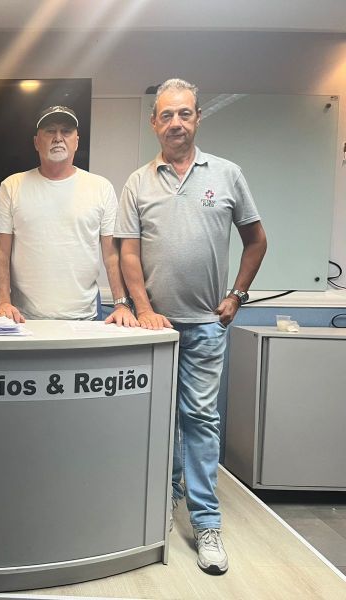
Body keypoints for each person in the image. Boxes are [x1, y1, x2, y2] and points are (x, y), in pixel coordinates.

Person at [116, 78, 267, 575]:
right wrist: (142, 308)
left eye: (184, 113)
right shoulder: (138, 182)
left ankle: (206, 523)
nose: (175, 122)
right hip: (153, 331)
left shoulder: (226, 174)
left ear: (198, 117)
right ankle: (160, 502)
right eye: (166, 115)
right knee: (155, 420)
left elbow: (256, 240)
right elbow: (128, 252)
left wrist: (237, 294)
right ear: (153, 122)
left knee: (199, 421)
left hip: (205, 325)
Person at [0, 105, 137, 326]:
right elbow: (0, 251)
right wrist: (2, 302)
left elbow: (111, 255)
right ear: (36, 142)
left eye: (66, 131)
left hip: (84, 319)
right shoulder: (12, 186)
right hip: (24, 320)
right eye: (50, 131)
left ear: (77, 141)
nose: (58, 138)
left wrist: (121, 304)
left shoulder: (100, 187)